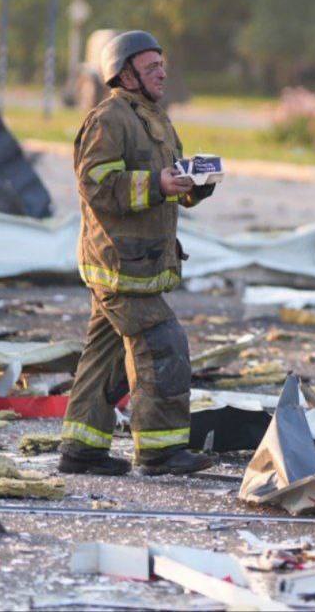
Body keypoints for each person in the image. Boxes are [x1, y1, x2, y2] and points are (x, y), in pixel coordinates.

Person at [58, 30, 215, 476]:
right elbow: (96, 185)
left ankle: (81, 450)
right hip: (119, 266)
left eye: (162, 65)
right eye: (151, 68)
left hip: (139, 263)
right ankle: (159, 452)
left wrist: (194, 186)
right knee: (162, 346)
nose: (161, 74)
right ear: (125, 75)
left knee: (104, 359)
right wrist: (157, 184)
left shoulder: (155, 119)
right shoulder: (109, 119)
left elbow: (168, 183)